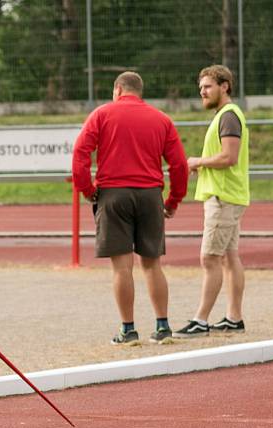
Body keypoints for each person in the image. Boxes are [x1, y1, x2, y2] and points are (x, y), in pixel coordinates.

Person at [72, 72, 189, 345]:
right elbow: (179, 165)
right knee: (152, 265)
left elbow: (80, 154)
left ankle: (128, 329)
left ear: (117, 89)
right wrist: (173, 201)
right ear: (140, 91)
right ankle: (162, 327)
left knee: (122, 268)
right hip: (150, 195)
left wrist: (88, 191)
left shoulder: (101, 115)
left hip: (113, 195)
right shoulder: (161, 119)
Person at [174, 65, 250, 338]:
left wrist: (198, 161)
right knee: (229, 257)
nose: (202, 92)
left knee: (210, 258)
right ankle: (234, 317)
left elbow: (229, 156)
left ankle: (201, 320)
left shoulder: (228, 117)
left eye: (207, 87)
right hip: (228, 195)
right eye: (201, 88)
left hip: (223, 197)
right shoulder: (226, 116)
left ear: (224, 86)